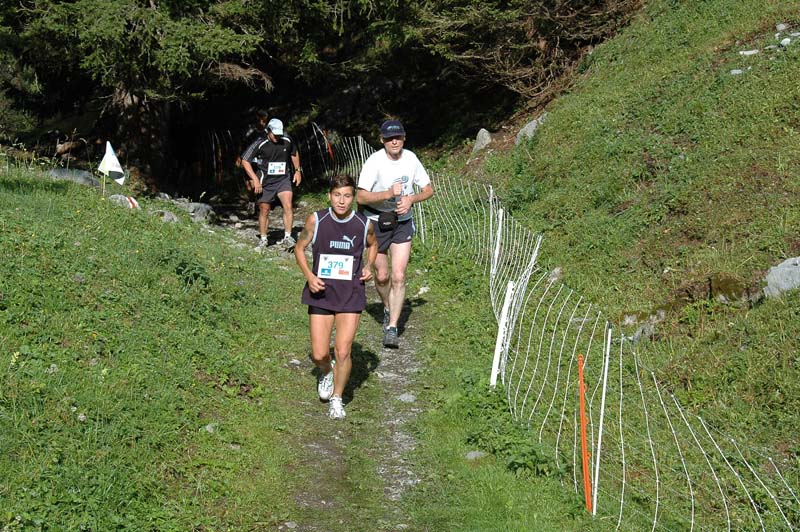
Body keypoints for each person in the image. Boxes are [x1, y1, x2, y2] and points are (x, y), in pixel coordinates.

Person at [295, 174, 378, 419]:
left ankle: (337, 398)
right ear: (329, 196)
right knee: (320, 354)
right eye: (337, 195)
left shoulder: (363, 224)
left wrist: (369, 266)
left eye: (347, 196)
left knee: (342, 351)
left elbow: (373, 245)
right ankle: (327, 372)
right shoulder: (317, 220)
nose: (342, 201)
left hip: (350, 293)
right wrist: (309, 276)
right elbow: (299, 248)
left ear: (354, 198)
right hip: (321, 292)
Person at [356, 119, 434, 348]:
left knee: (399, 275)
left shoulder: (411, 159)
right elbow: (360, 196)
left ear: (404, 138)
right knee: (382, 276)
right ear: (382, 140)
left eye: (398, 137)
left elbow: (428, 190)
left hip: (402, 222)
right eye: (389, 138)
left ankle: (392, 327)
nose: (394, 142)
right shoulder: (374, 162)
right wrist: (387, 193)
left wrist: (411, 199)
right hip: (376, 221)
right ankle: (388, 307)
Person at [240, 117, 301, 250]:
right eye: (275, 134)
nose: (277, 137)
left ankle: (288, 237)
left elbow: (294, 153)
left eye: (279, 134)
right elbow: (245, 160)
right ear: (268, 131)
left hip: (283, 179)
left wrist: (297, 171)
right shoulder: (260, 142)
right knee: (264, 210)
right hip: (266, 181)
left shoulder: (287, 140)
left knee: (288, 205)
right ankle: (263, 239)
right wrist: (255, 179)